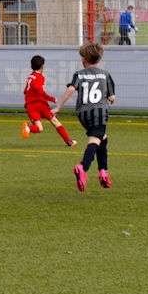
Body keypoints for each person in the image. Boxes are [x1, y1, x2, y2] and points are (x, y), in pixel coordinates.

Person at [52, 41, 115, 192]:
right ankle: (83, 167)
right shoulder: (105, 75)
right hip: (100, 112)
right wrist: (108, 98)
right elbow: (112, 98)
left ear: (83, 60)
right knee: (95, 140)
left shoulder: (79, 74)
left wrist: (59, 107)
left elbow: (71, 89)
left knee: (102, 138)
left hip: (83, 114)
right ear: (98, 59)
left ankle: (103, 172)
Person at [21, 55, 77, 147]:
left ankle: (28, 128)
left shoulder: (30, 77)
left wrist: (28, 102)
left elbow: (25, 91)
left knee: (39, 128)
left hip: (30, 106)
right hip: (40, 104)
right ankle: (69, 141)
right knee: (55, 121)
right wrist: (51, 99)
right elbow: (39, 91)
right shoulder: (40, 77)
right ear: (43, 66)